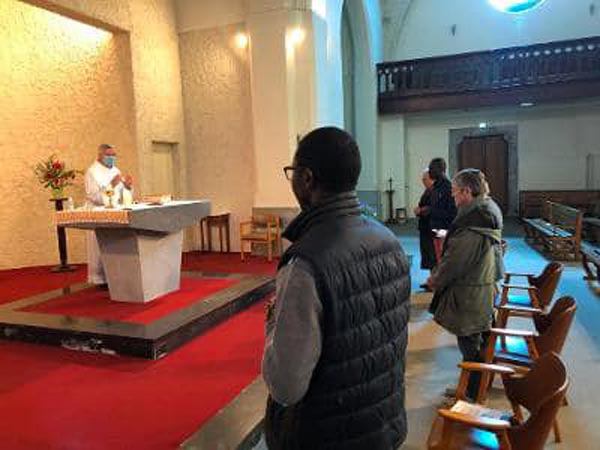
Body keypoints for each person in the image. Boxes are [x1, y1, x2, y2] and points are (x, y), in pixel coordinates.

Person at [262, 127, 411, 450]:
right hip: (382, 422)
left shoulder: (306, 263)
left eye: (292, 172)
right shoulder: (389, 240)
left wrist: (273, 321)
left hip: (326, 436)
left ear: (306, 178)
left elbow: (286, 386)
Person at [427, 168, 504, 401]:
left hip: (472, 289)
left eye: (454, 192)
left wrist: (436, 278)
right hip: (482, 282)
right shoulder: (487, 208)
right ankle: (472, 387)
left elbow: (457, 260)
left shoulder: (475, 219)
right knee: (475, 340)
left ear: (467, 192)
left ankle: (472, 394)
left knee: (470, 342)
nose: (453, 197)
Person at [84, 144, 133, 286]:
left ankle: (114, 276)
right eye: (109, 155)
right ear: (100, 156)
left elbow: (122, 194)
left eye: (114, 155)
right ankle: (99, 278)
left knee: (114, 245)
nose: (112, 158)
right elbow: (94, 196)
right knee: (98, 247)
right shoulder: (92, 172)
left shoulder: (116, 171)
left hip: (114, 212)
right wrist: (111, 185)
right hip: (97, 212)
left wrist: (128, 186)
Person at [428, 158, 456, 262]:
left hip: (444, 227)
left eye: (432, 168)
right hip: (436, 226)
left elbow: (452, 212)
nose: (429, 171)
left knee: (443, 256)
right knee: (438, 256)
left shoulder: (447, 187)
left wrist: (431, 211)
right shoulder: (436, 186)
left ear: (440, 170)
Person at [414, 169, 436, 289]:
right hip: (425, 227)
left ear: (432, 179)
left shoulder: (435, 191)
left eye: (425, 179)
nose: (423, 181)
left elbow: (434, 208)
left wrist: (421, 210)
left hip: (431, 228)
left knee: (433, 256)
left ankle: (434, 282)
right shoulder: (428, 190)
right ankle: (431, 280)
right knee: (428, 255)